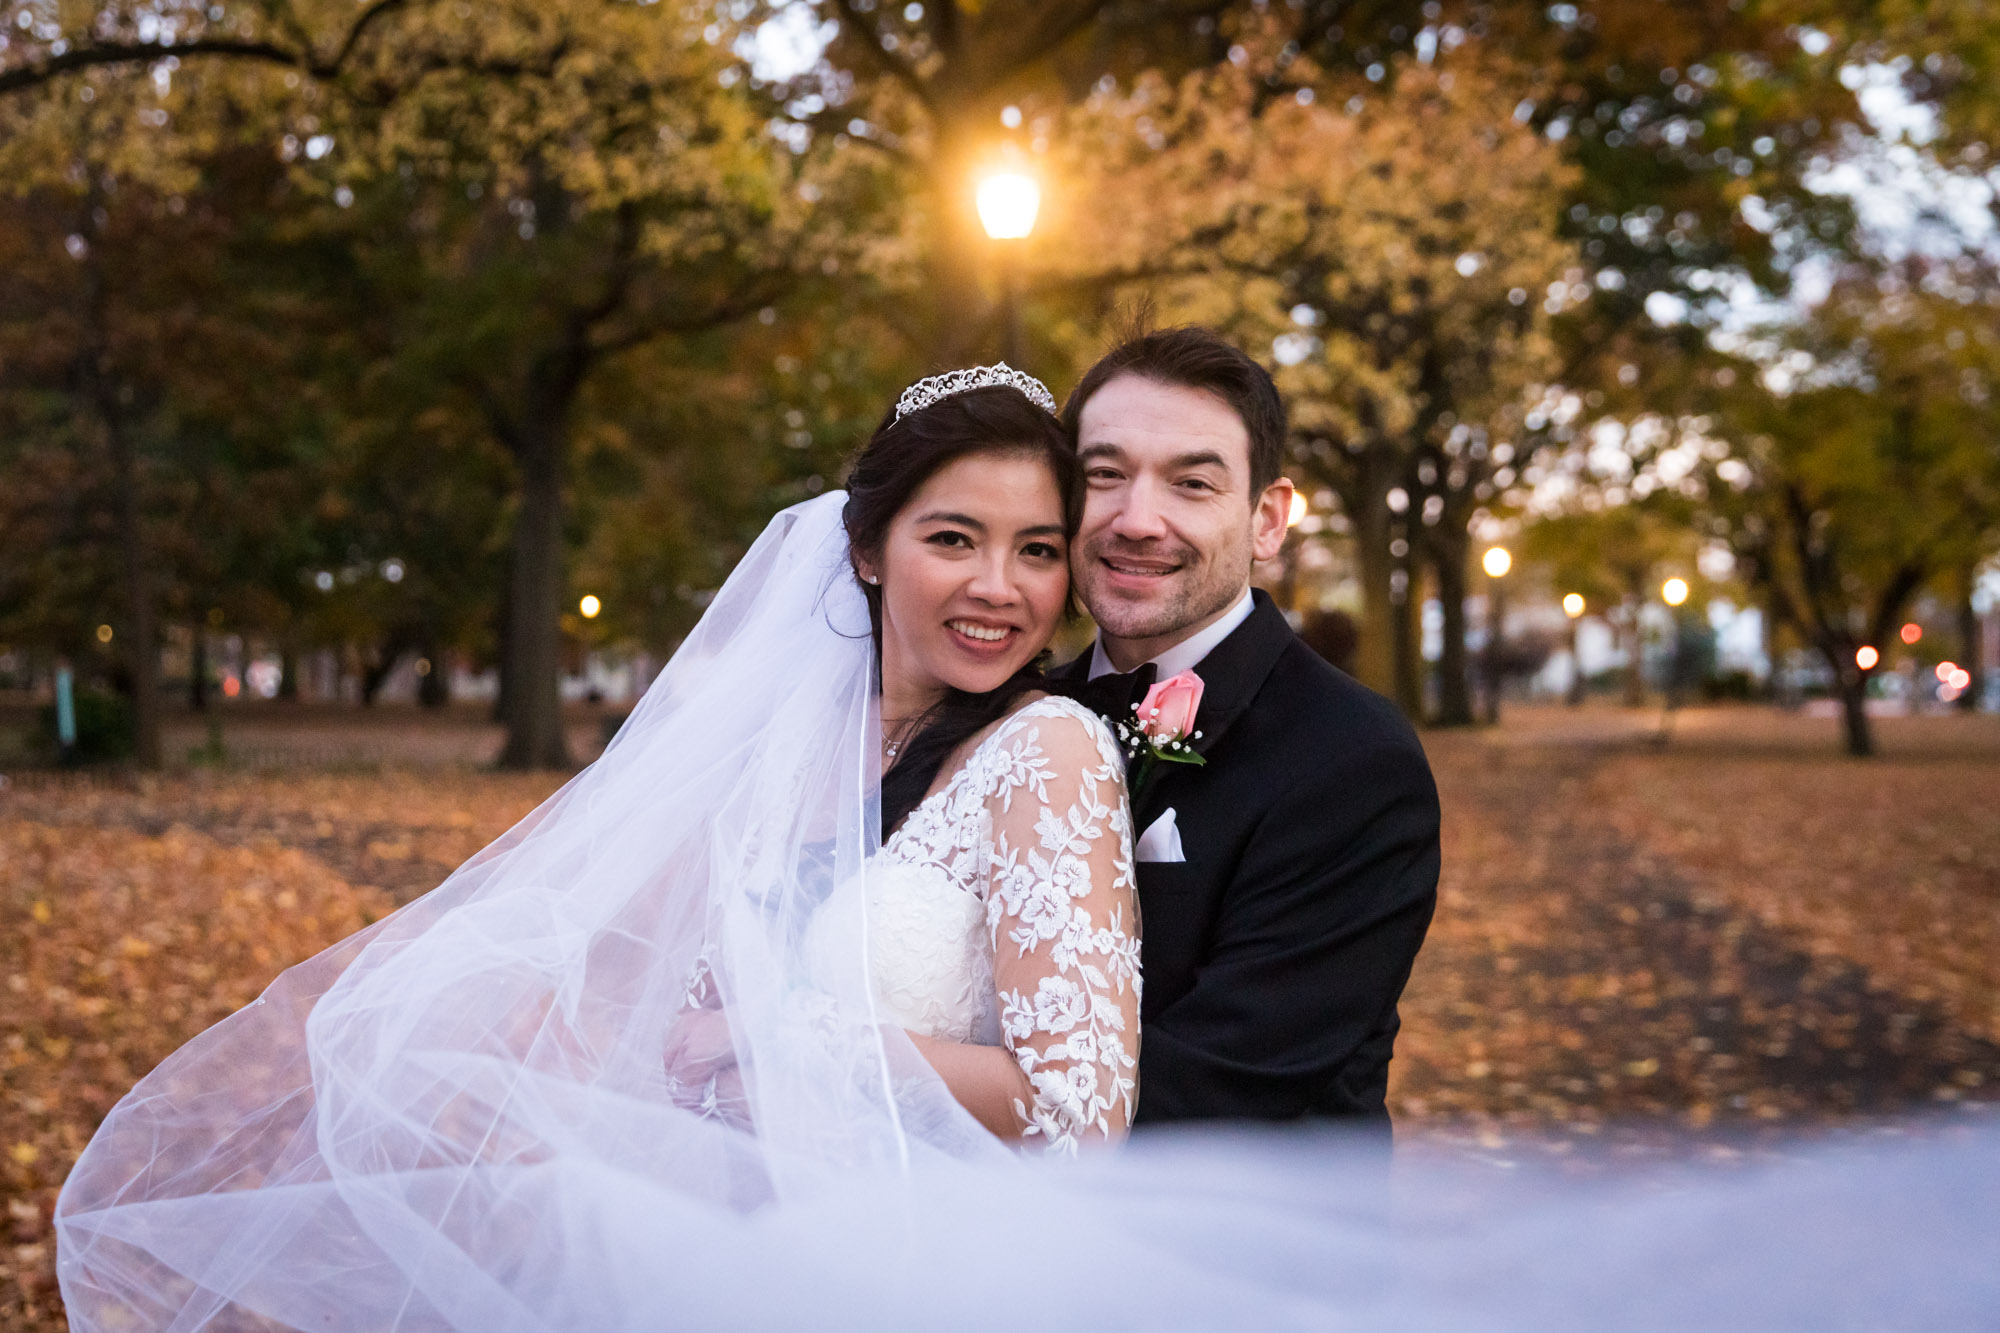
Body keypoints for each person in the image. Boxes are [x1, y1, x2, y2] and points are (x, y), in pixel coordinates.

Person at [56, 364, 1141, 1330]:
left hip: (919, 1272)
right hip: (709, 1251)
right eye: (952, 537)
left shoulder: (1046, 752)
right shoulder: (778, 753)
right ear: (864, 548)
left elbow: (1075, 1106)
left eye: (1036, 550)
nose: (998, 586)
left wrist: (779, 1040)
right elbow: (629, 984)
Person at [1051, 325, 1441, 1129]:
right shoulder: (1009, 715)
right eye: (1104, 475)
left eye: (1192, 484)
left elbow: (1217, 1086)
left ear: (1268, 521)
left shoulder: (1353, 761)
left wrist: (893, 1084)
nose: (1137, 518)